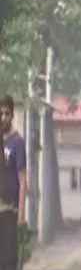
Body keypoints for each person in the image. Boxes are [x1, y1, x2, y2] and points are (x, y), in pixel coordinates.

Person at [0, 95, 27, 225]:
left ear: (12, 115)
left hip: (10, 210)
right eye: (1, 114)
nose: (3, 118)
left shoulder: (18, 142)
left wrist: (21, 215)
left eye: (7, 114)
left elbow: (22, 182)